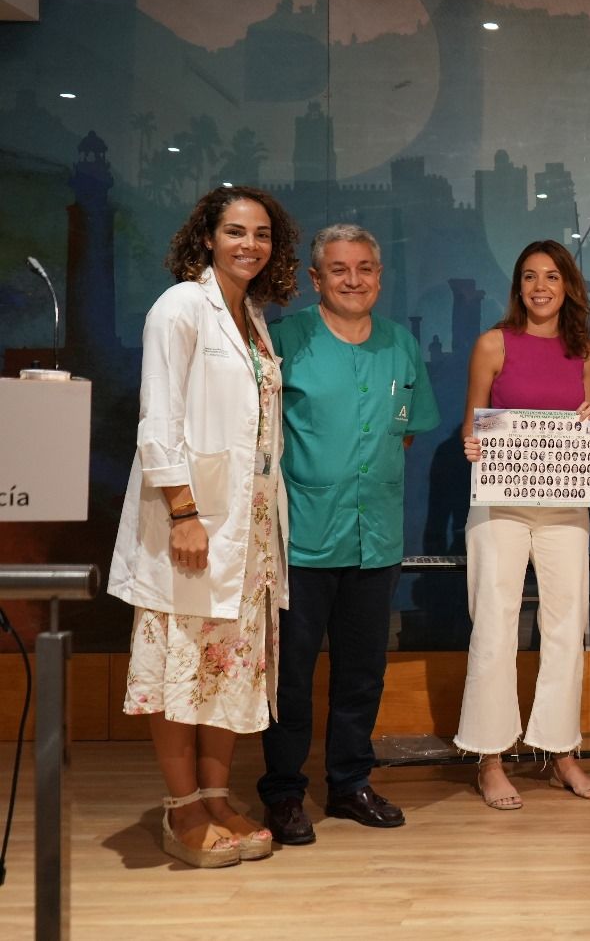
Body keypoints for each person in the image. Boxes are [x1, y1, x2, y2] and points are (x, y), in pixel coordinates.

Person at [109, 186, 299, 867]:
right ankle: (183, 808)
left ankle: (218, 794)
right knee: (184, 665)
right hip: (191, 520)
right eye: (235, 231)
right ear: (207, 236)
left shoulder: (250, 315)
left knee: (230, 666)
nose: (250, 244)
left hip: (246, 527)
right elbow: (158, 421)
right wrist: (184, 513)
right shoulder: (181, 308)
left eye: (262, 234)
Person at [257, 224, 440, 843]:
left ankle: (349, 784)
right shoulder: (286, 341)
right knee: (292, 675)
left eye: (365, 268)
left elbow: (406, 431)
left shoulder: (400, 344)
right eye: (339, 269)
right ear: (316, 279)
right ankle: (284, 793)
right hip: (303, 538)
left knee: (363, 673)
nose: (354, 279)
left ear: (379, 277)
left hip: (376, 539)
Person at [457, 240, 590, 806]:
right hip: (500, 504)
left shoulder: (585, 350)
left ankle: (561, 751)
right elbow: (470, 427)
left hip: (567, 503)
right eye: (528, 277)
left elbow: (585, 420)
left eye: (550, 276)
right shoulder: (493, 343)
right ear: (517, 287)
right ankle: (490, 757)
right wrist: (473, 445)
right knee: (495, 623)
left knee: (568, 625)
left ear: (568, 285)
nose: (540, 286)